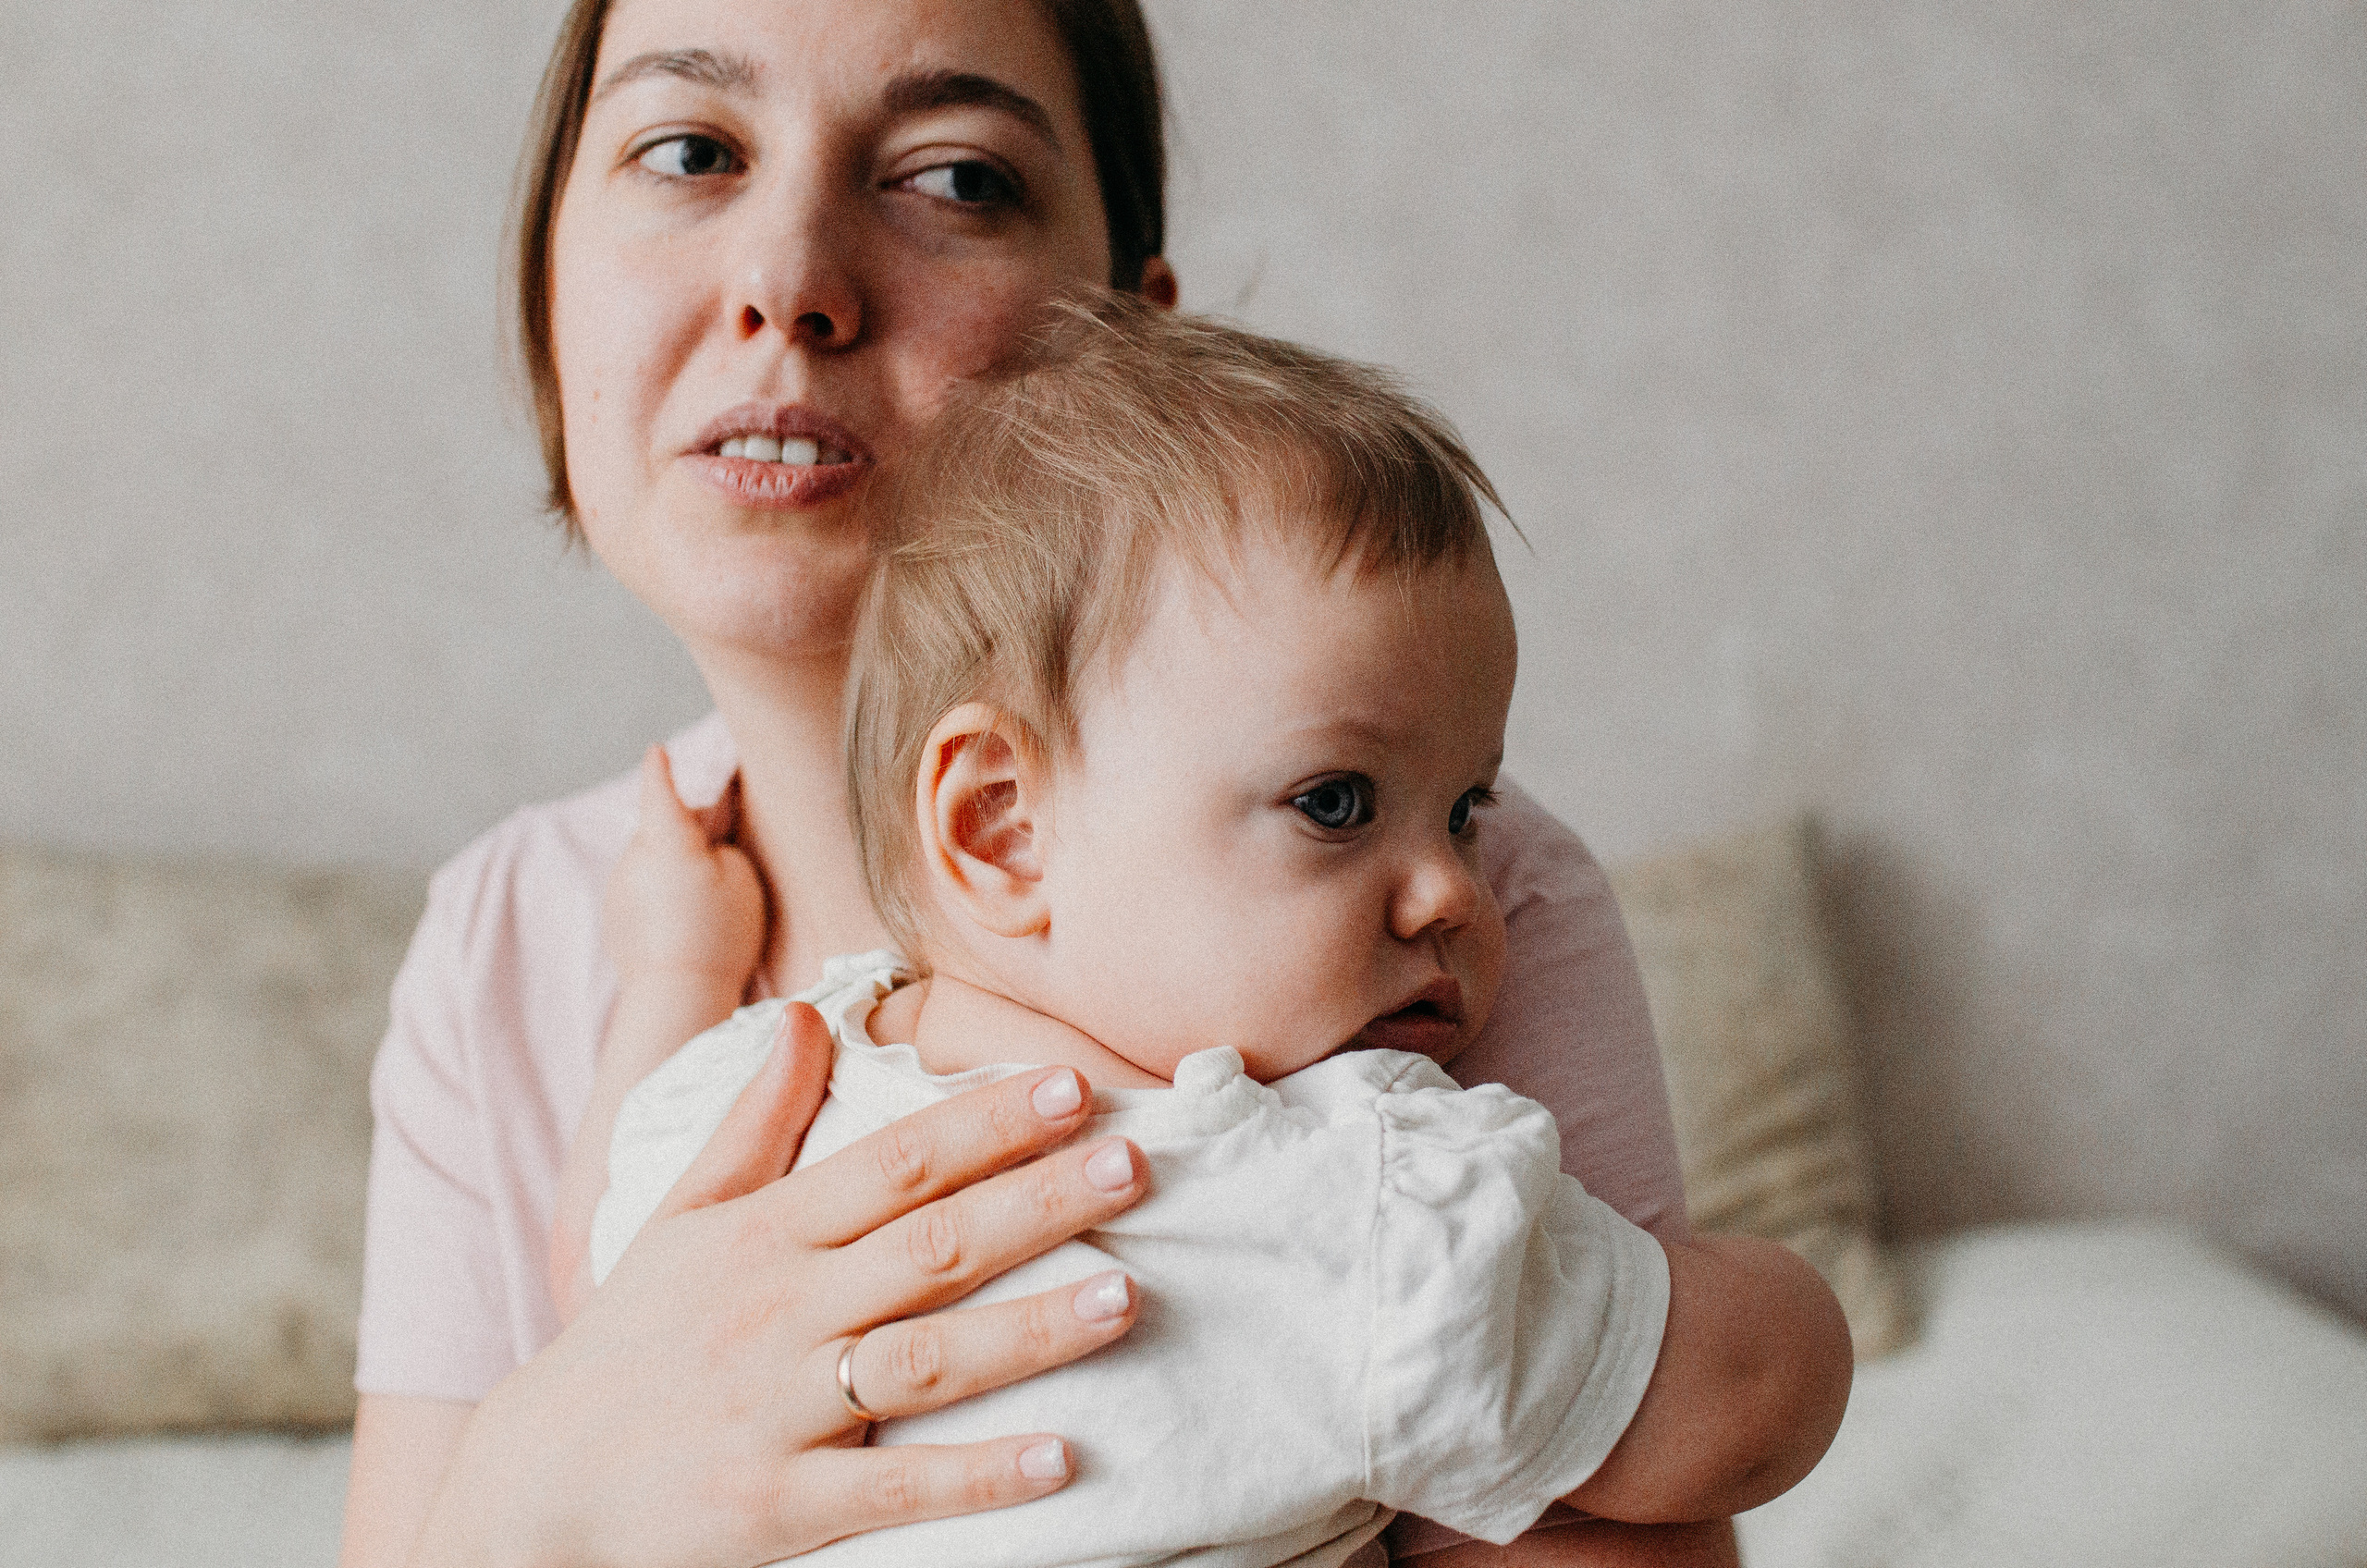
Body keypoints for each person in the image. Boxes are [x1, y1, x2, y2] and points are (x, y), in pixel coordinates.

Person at [337, 0, 1852, 1563]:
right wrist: (548, 1476)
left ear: (1136, 330)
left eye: (955, 178)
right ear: (543, 285)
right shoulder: (517, 937)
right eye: (689, 150)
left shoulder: (1437, 928)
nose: (786, 285)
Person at [570, 300, 1835, 1568]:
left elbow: (591, 1332)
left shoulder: (740, 1104)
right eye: (1334, 804)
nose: (1453, 890)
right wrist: (1777, 1300)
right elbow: (1741, 1412)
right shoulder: (1349, 1198)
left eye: (1466, 810)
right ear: (1001, 827)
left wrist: (676, 970)